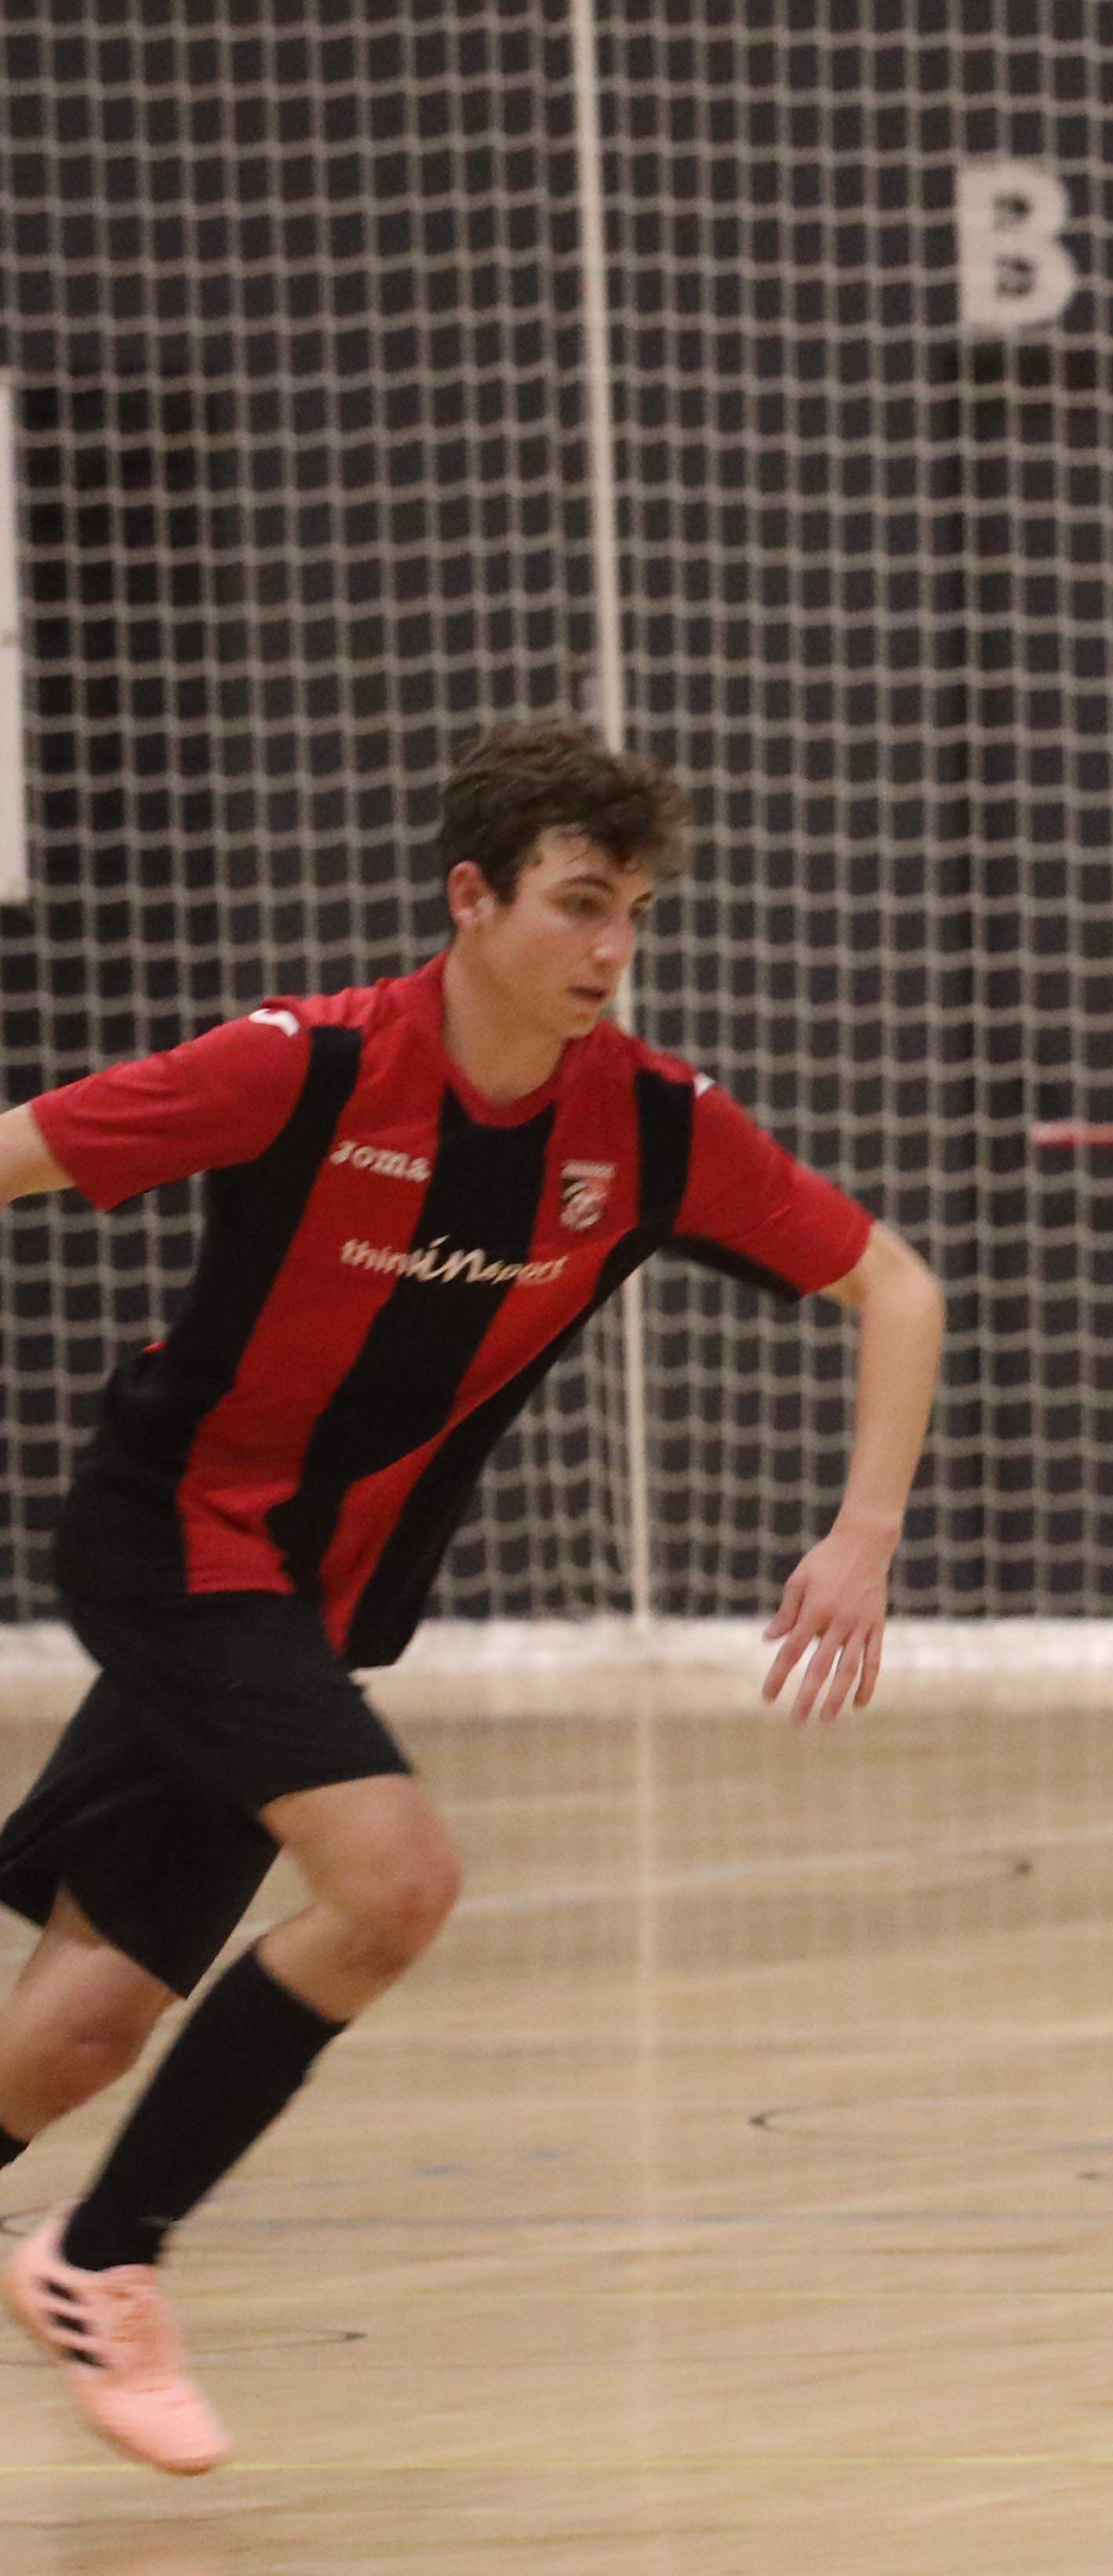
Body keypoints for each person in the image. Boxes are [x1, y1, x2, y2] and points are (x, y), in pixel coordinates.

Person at [0, 723, 943, 2472]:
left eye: (635, 914)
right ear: (471, 896)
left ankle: (80, 2216)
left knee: (75, 2035)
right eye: (579, 905)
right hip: (176, 1535)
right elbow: (22, 1149)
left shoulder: (652, 1130)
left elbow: (894, 1282)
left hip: (316, 1599)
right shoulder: (301, 1065)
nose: (609, 951)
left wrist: (862, 1532)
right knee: (397, 1879)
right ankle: (102, 2254)